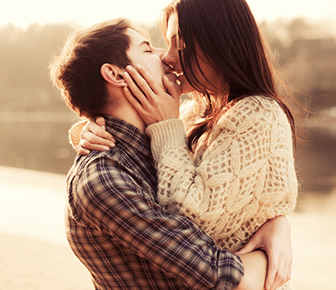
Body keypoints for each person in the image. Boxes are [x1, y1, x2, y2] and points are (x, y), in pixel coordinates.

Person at [73, 1, 299, 289]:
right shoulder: (194, 112)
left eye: (179, 44)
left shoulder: (258, 115)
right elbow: (150, 166)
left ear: (219, 42)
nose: (167, 57)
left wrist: (277, 221)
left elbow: (193, 227)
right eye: (163, 45)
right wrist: (91, 126)